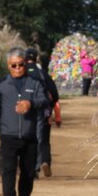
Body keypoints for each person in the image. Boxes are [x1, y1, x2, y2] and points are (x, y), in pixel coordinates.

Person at [0, 47, 50, 196]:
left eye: (20, 64)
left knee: (28, 169)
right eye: (13, 65)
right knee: (8, 168)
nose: (17, 68)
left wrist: (31, 104)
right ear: (8, 65)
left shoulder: (35, 83)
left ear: (25, 64)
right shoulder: (1, 85)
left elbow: (44, 101)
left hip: (30, 134)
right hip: (8, 134)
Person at [24, 46, 59, 178]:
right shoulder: (42, 73)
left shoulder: (20, 71)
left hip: (24, 110)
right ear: (36, 58)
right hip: (42, 109)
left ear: (26, 58)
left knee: (25, 138)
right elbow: (54, 93)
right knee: (42, 138)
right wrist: (50, 107)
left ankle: (28, 166)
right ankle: (42, 162)